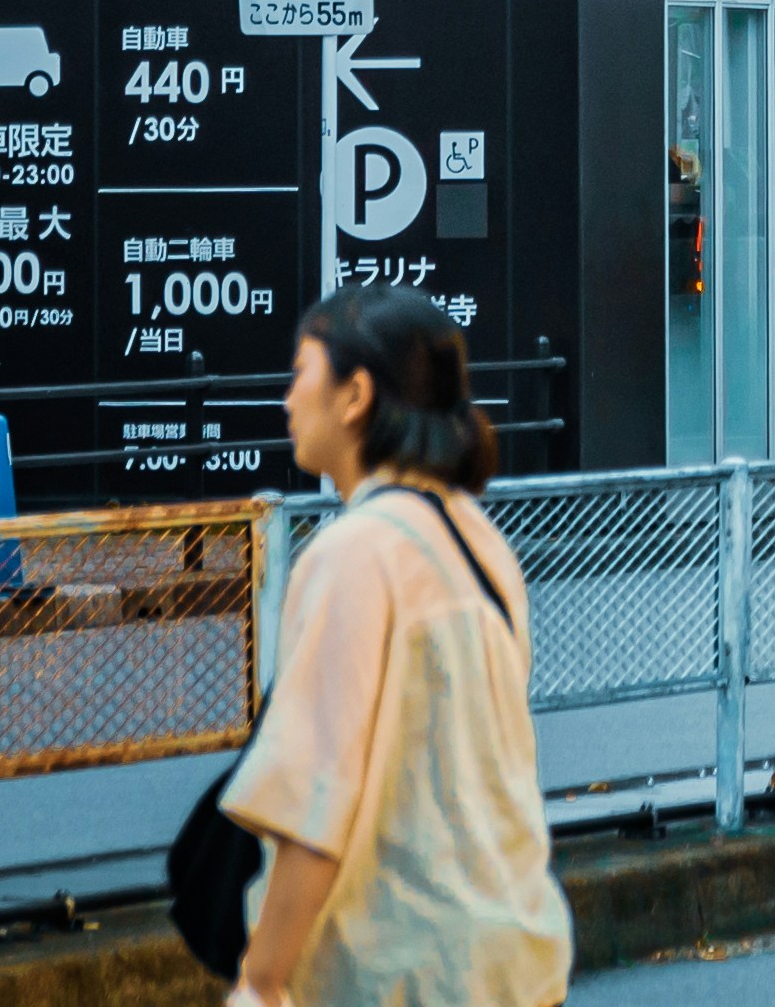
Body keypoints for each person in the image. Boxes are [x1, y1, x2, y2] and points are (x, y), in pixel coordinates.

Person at [223, 280, 572, 1007]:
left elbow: (316, 804)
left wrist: (260, 981)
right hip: (512, 956)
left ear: (354, 396)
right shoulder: (479, 542)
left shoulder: (355, 553)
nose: (287, 399)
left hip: (401, 968)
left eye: (302, 373)